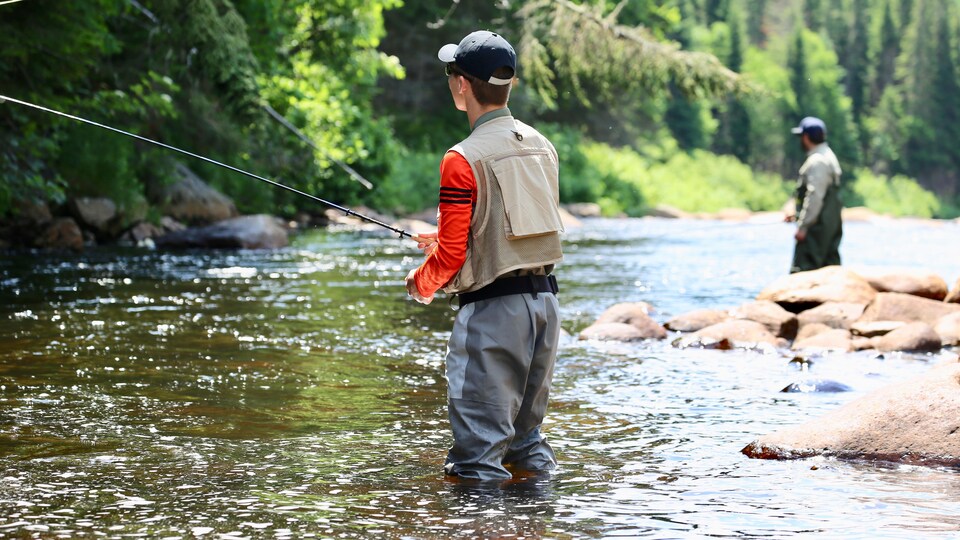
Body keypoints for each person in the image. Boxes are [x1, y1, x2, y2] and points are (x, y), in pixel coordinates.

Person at [403, 30, 564, 482]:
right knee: (525, 446)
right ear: (508, 85)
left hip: (495, 316)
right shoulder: (541, 145)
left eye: (452, 73)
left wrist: (421, 283)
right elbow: (520, 228)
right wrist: (445, 237)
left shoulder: (462, 158)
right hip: (545, 310)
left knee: (476, 460)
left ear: (461, 84)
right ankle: (535, 525)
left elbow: (452, 256)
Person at [786, 116, 843, 273]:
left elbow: (815, 196)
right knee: (830, 271)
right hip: (828, 227)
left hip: (815, 230)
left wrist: (803, 227)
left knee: (802, 273)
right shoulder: (828, 155)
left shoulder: (817, 161)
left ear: (806, 137)